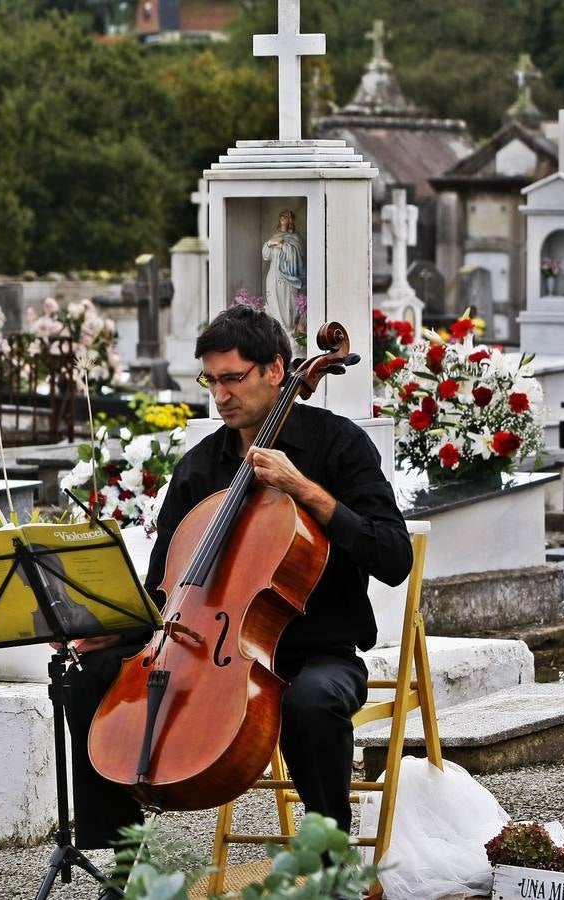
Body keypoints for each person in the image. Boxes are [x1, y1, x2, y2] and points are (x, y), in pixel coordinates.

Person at [65, 304, 412, 846]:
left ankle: (329, 857)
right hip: (205, 649)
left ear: (277, 370)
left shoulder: (337, 445)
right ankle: (119, 860)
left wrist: (307, 492)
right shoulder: (201, 467)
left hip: (317, 653)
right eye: (212, 380)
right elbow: (167, 584)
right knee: (85, 677)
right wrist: (126, 627)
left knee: (311, 702)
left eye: (233, 378)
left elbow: (393, 557)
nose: (220, 394)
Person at [262, 209, 305, 330]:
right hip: (273, 276)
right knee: (274, 305)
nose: (283, 218)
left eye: (286, 216)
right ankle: (277, 332)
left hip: (288, 278)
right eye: (281, 215)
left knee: (287, 305)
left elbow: (297, 256)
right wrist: (270, 243)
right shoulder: (274, 237)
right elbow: (266, 255)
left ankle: (288, 333)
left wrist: (283, 246)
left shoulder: (295, 238)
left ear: (290, 220)